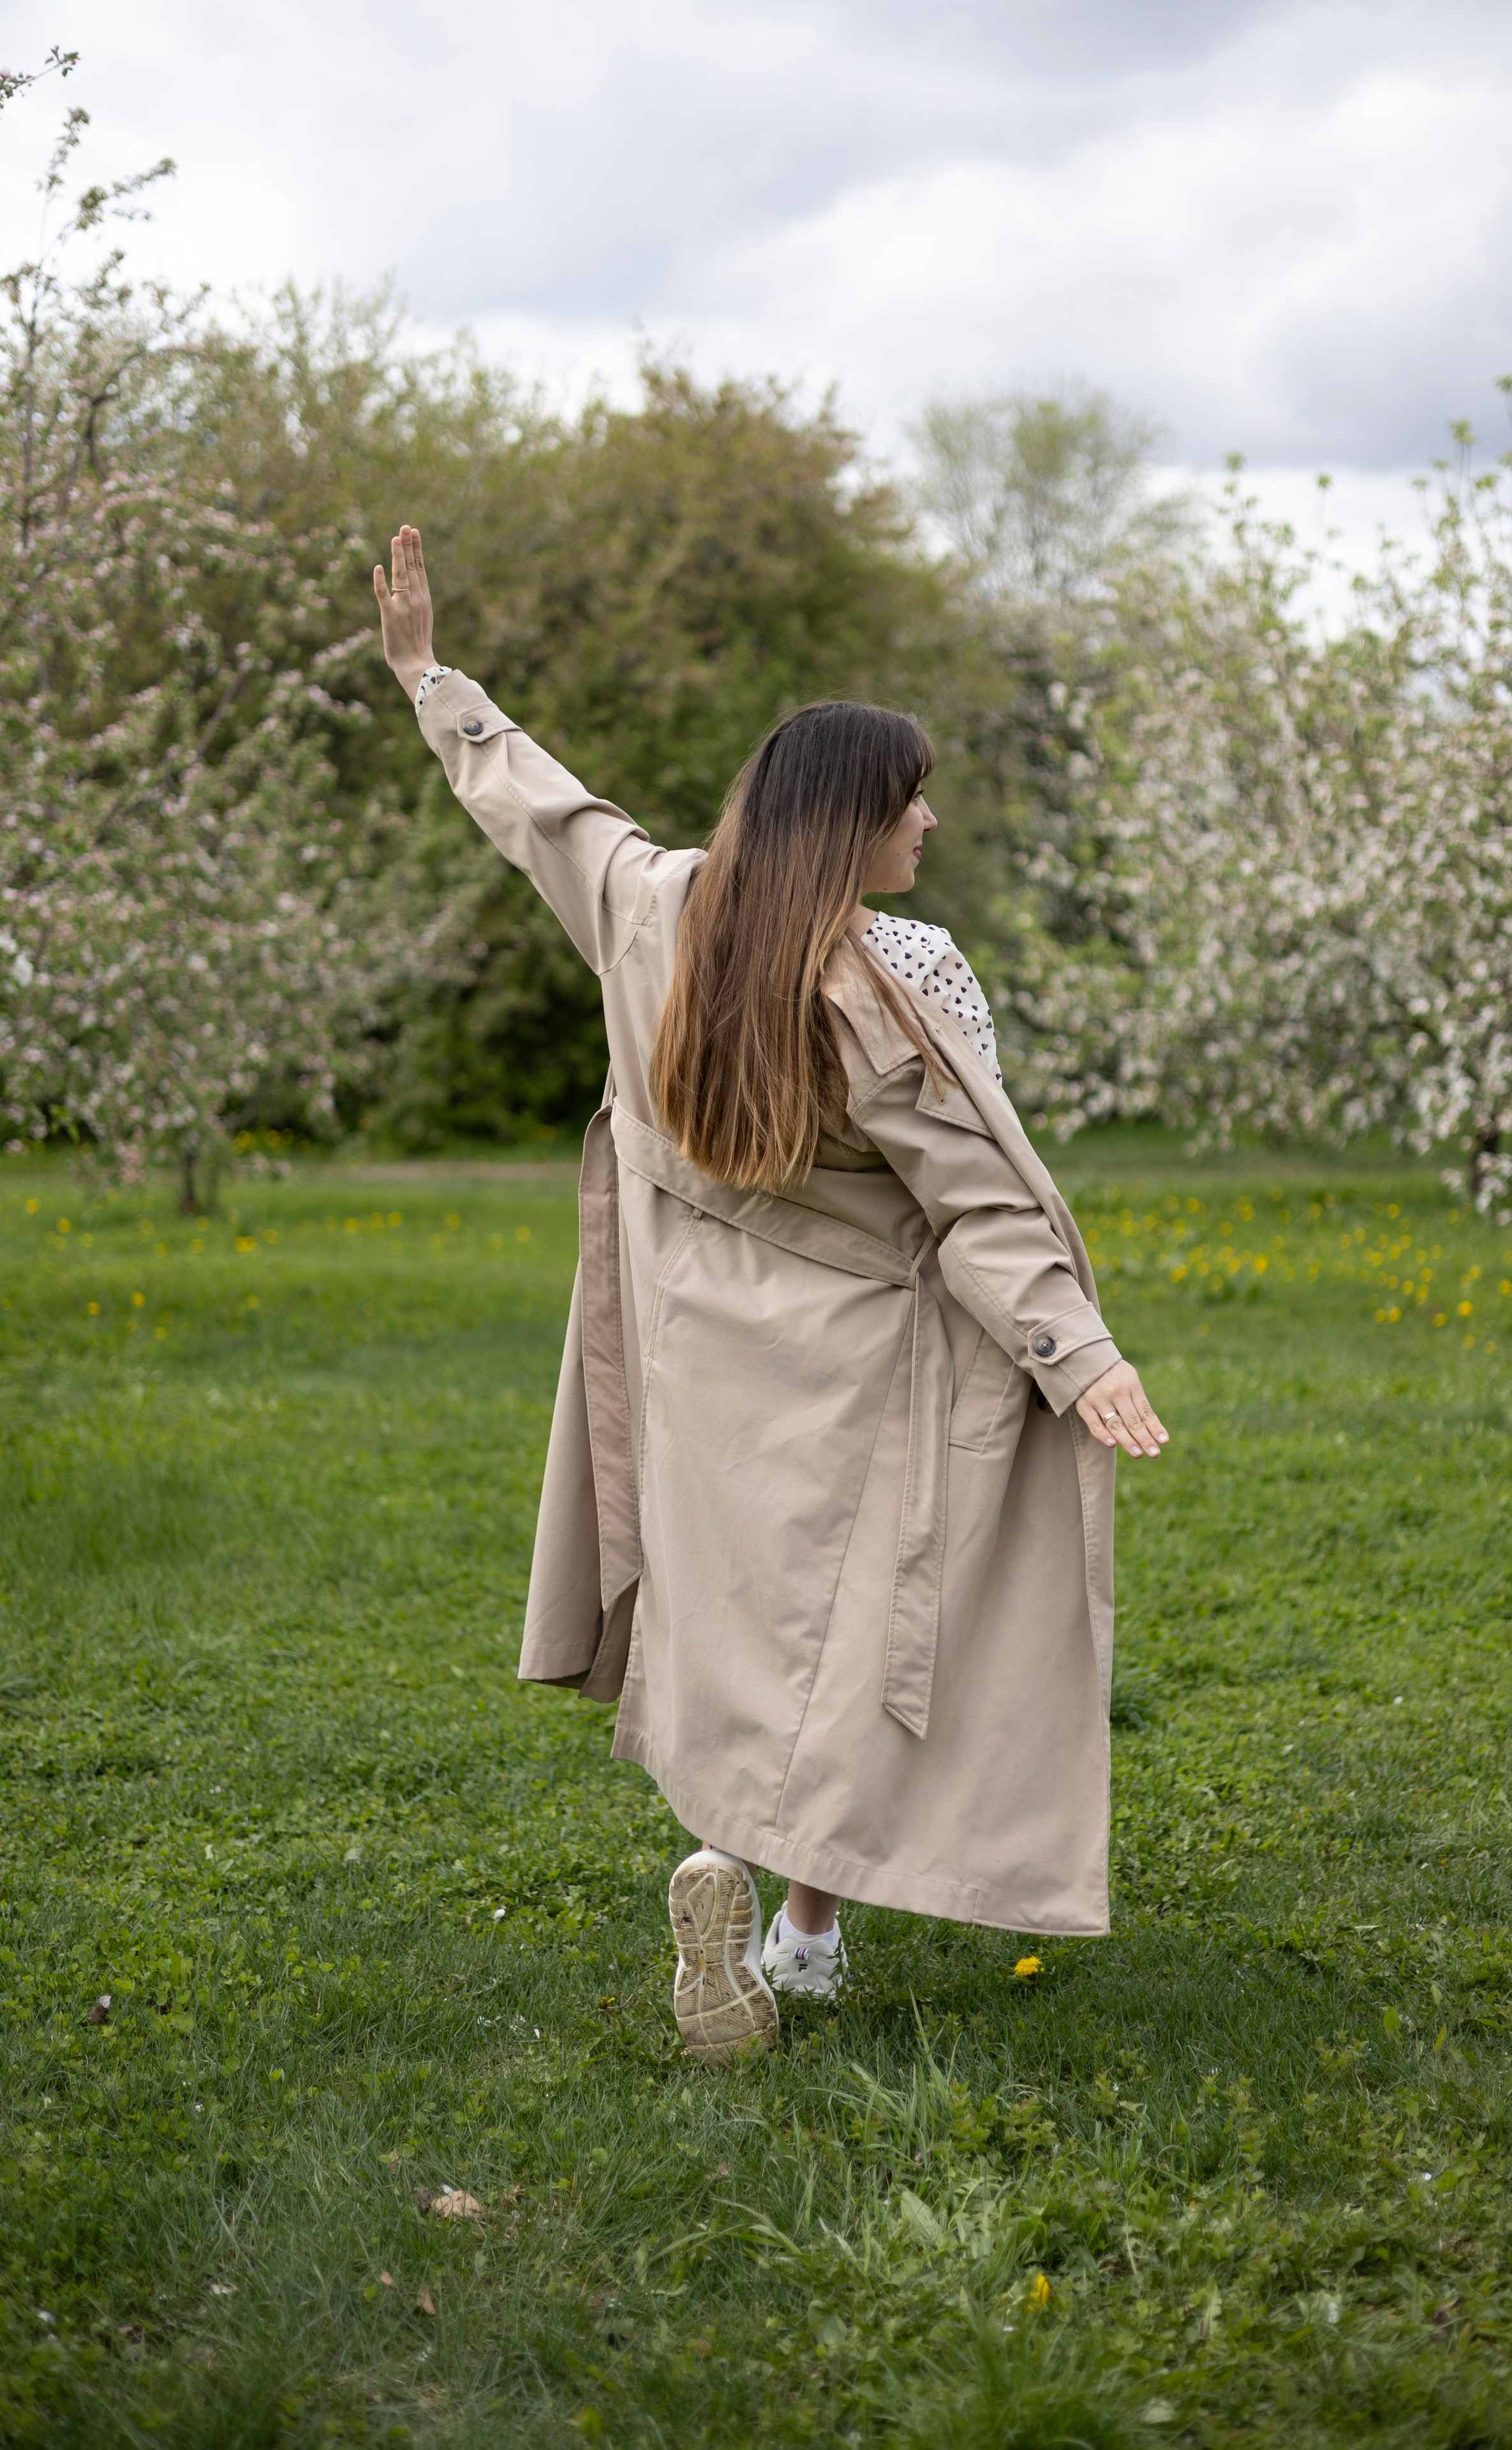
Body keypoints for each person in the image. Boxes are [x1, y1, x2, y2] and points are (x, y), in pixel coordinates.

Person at [374, 526, 1168, 2065]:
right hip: (862, 1363)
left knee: (739, 1636)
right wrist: (1074, 1354)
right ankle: (800, 1936)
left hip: (697, 1353)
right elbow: (977, 1197)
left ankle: (734, 1879)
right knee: (863, 1648)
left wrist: (429, 680)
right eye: (908, 798)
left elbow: (543, 809)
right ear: (848, 821)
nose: (928, 819)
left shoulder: (651, 904)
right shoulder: (891, 976)